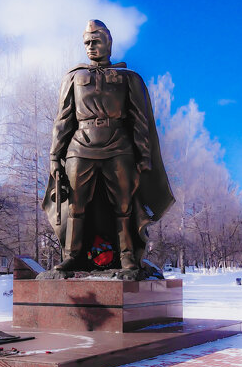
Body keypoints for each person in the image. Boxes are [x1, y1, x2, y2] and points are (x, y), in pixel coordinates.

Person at [42, 20, 174, 273]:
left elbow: (139, 120)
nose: (90, 47)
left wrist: (144, 155)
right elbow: (63, 120)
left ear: (108, 43)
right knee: (76, 205)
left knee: (123, 205)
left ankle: (127, 258)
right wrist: (54, 157)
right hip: (80, 146)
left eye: (96, 41)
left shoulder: (128, 78)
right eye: (87, 43)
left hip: (118, 145)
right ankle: (73, 257)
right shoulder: (74, 77)